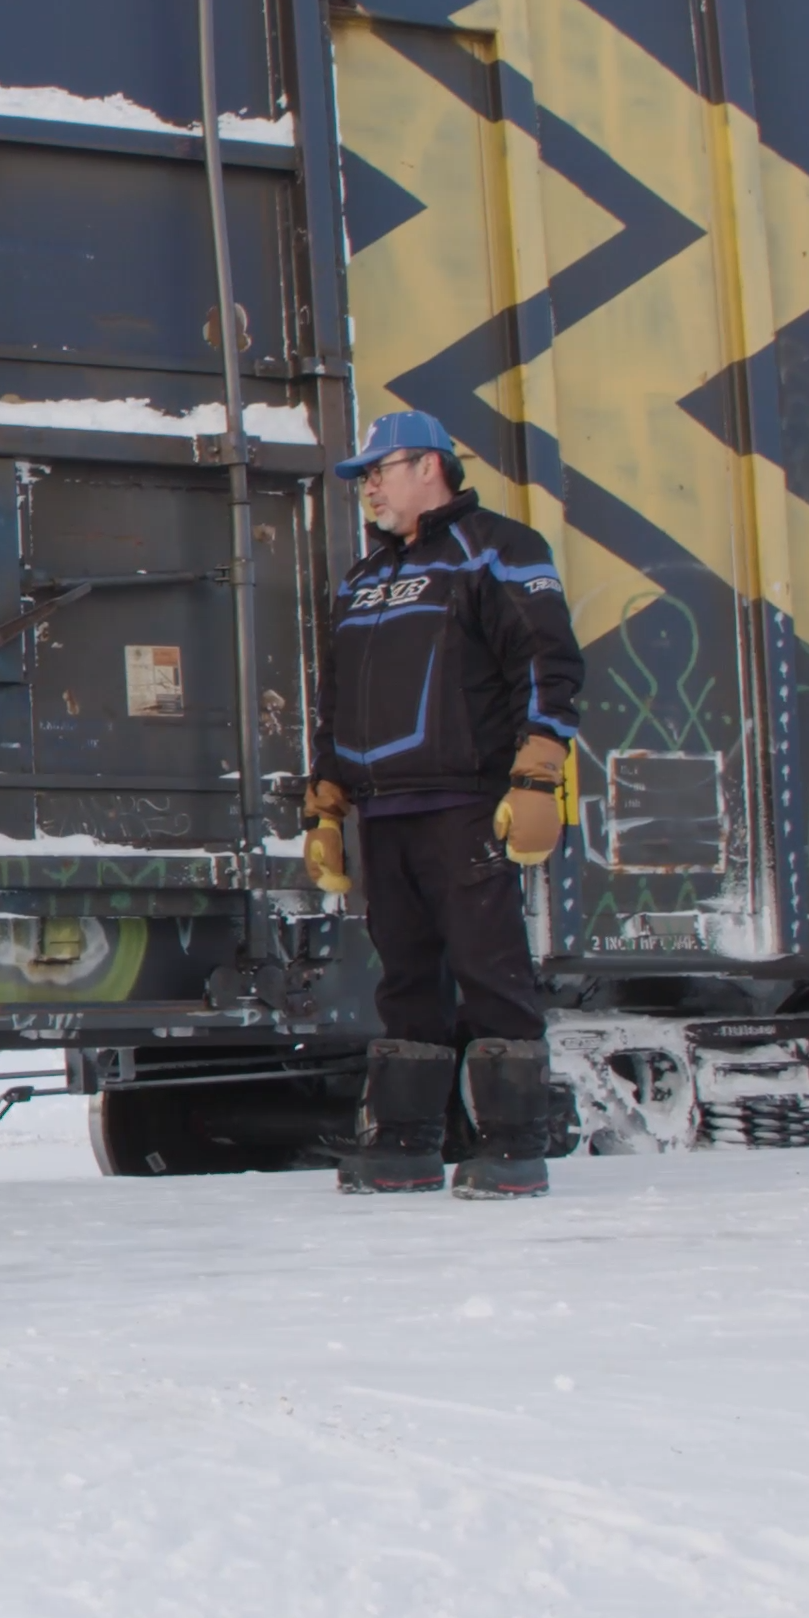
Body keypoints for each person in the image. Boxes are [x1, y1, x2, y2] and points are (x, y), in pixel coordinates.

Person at [305, 409, 583, 1198]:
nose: (367, 490)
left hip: (467, 803)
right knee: (404, 979)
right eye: (360, 479)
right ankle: (403, 1144)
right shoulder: (365, 578)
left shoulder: (498, 549)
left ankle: (513, 1145)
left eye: (377, 472)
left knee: (490, 969)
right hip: (382, 813)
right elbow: (336, 700)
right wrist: (324, 804)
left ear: (429, 465)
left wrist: (537, 772)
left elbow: (549, 664)